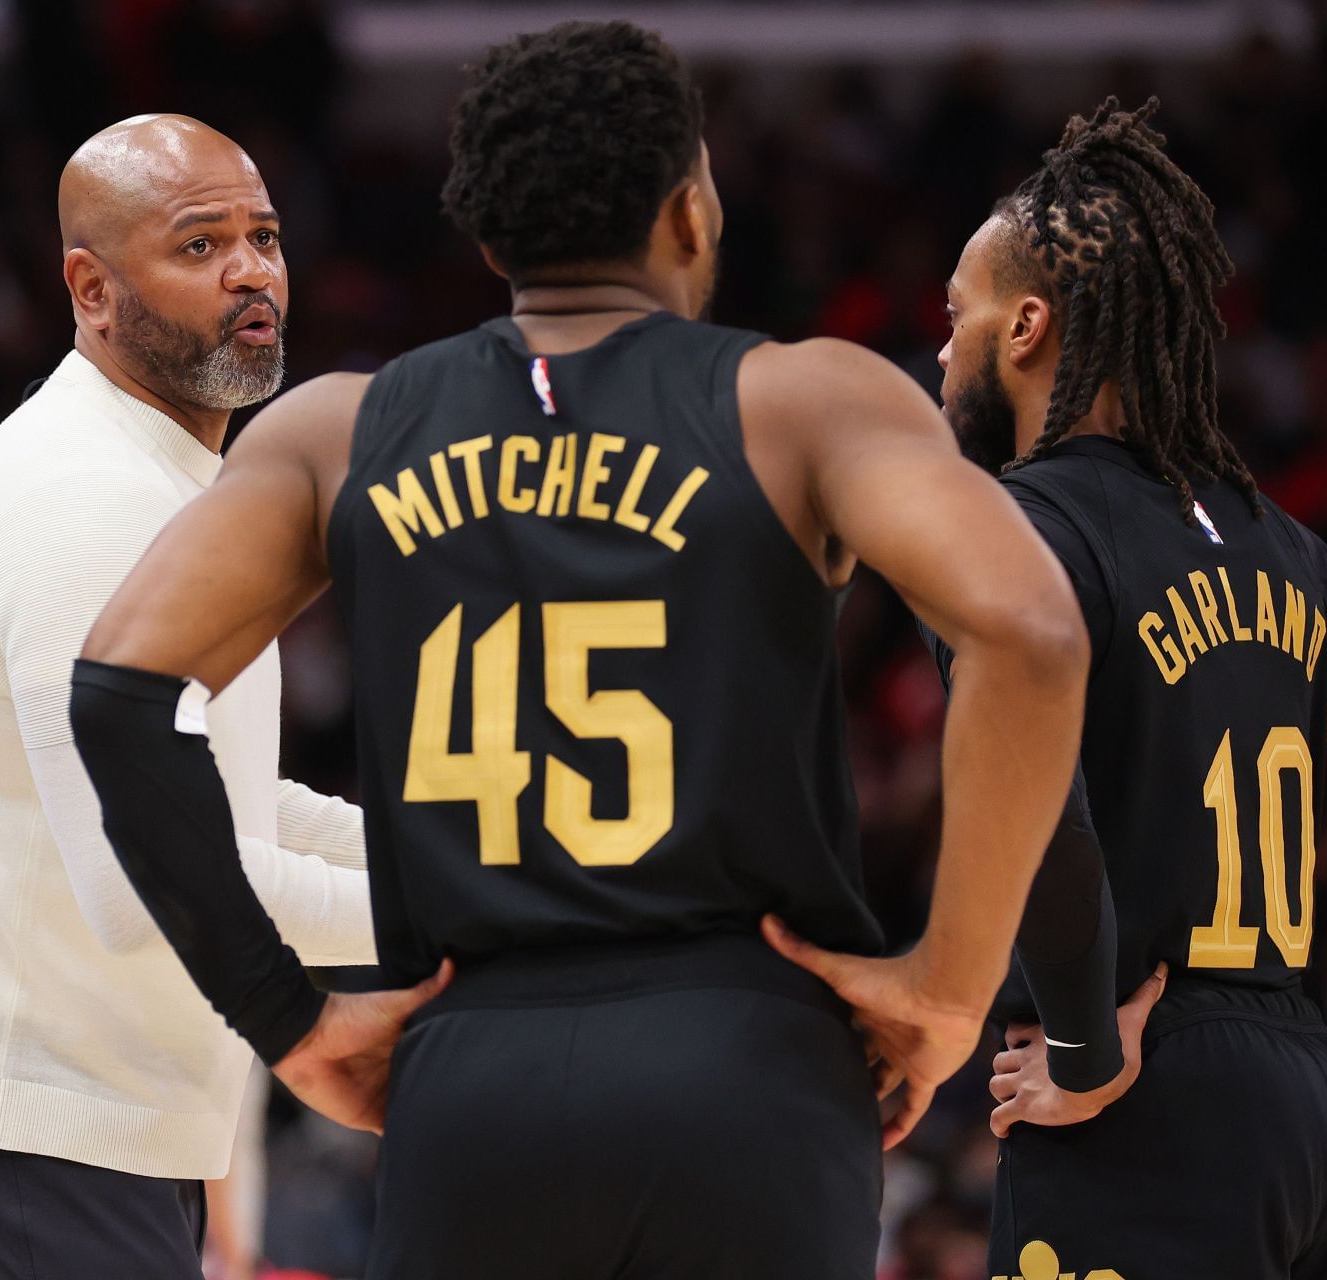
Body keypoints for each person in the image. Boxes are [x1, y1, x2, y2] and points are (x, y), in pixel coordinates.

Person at [68, 21, 1090, 1280]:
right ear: (691, 213)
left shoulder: (337, 428)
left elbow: (118, 691)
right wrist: (948, 981)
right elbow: (1033, 628)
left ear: (490, 236)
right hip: (749, 1058)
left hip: (472, 1076)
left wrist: (283, 1012)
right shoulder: (808, 399)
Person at [864, 97, 1327, 1280]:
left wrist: (1084, 1049)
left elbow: (1037, 813)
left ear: (1026, 327)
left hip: (1137, 1106)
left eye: (954, 316)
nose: (938, 352)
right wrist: (1324, 1063)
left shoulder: (1000, 531)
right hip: (1305, 1116)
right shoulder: (1279, 543)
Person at [0, 115, 393, 1278]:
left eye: (265, 237)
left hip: (54, 1137)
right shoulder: (84, 495)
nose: (250, 271)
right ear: (91, 287)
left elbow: (216, 806)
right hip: (3, 1136)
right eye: (200, 246)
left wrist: (470, 855)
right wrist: (479, 902)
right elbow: (150, 872)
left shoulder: (159, 477)